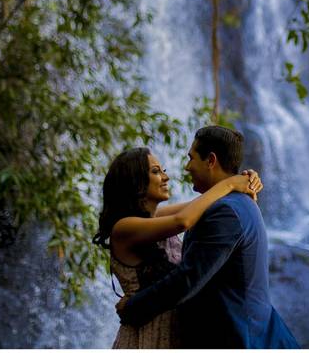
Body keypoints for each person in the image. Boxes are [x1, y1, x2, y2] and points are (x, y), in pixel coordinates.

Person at [116, 126, 300, 349]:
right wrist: (232, 183)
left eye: (191, 158)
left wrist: (133, 308)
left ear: (211, 160)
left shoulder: (225, 212)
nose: (186, 167)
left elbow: (188, 278)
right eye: (156, 171)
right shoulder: (228, 204)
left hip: (239, 337)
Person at [92, 146, 262, 348]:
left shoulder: (156, 218)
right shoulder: (124, 227)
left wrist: (246, 180)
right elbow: (183, 220)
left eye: (163, 170)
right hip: (147, 333)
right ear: (134, 180)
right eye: (156, 171)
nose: (166, 177)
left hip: (175, 329)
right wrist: (231, 183)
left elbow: (203, 203)